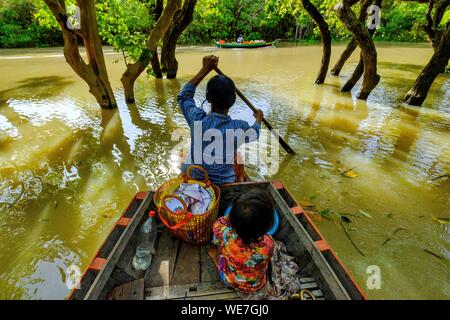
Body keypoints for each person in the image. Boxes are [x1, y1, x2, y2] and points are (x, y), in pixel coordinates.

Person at [177, 55, 264, 185]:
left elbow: (184, 96)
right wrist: (258, 119)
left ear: (208, 97)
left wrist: (205, 70)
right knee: (236, 157)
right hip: (224, 183)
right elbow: (255, 133)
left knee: (188, 160)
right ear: (233, 101)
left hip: (197, 180)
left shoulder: (197, 119)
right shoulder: (240, 127)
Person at [210, 189, 275, 293]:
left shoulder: (228, 235)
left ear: (233, 220)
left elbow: (217, 225)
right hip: (257, 285)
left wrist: (230, 218)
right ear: (268, 224)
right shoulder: (269, 243)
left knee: (220, 242)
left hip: (230, 281)